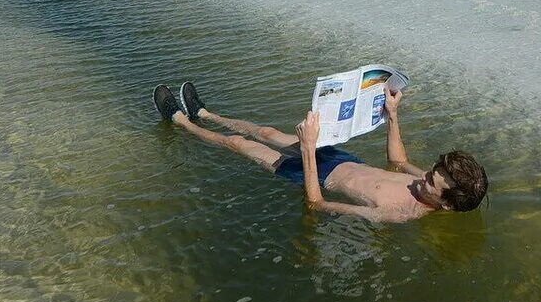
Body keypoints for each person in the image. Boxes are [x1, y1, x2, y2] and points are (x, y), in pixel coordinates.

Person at [153, 81, 488, 223]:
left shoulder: (398, 213)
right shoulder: (427, 183)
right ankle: (206, 114)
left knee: (240, 144)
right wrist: (393, 114)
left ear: (445, 205)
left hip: (317, 174)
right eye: (430, 171)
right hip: (343, 160)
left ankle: (180, 119)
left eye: (431, 181)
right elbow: (398, 162)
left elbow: (316, 204)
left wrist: (309, 151)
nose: (423, 177)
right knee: (268, 132)